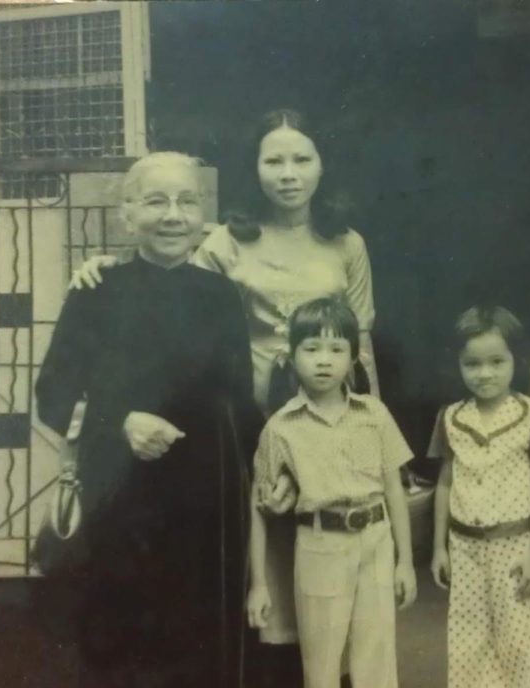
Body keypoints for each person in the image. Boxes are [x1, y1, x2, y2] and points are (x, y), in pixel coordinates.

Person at [70, 108, 380, 681]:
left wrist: (372, 435)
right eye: (273, 160)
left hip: (323, 427)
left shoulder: (347, 244)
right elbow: (167, 272)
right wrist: (102, 266)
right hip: (248, 426)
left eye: (301, 158)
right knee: (259, 582)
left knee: (328, 577)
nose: (288, 173)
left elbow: (361, 350)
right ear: (254, 168)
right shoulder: (223, 240)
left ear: (322, 165)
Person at [35, 152, 261, 688]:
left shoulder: (220, 295)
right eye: (156, 201)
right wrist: (120, 424)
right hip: (119, 502)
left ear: (203, 215)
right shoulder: (96, 291)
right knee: (119, 648)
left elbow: (240, 403)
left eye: (186, 201)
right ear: (127, 213)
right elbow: (52, 393)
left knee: (197, 646)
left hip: (202, 508)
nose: (173, 215)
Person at [247, 296, 417, 688]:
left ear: (353, 359)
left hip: (376, 541)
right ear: (291, 356)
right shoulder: (281, 428)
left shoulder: (374, 414)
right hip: (319, 545)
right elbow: (259, 509)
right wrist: (259, 583)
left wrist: (404, 561)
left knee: (376, 663)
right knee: (321, 666)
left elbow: (394, 489)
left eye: (337, 349)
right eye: (311, 349)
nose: (324, 360)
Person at [428, 306, 530, 688]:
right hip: (465, 547)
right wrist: (439, 548)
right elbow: (445, 484)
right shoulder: (451, 417)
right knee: (469, 641)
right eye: (473, 364)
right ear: (459, 365)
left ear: (517, 358)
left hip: (515, 546)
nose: (485, 374)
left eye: (497, 361)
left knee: (520, 641)